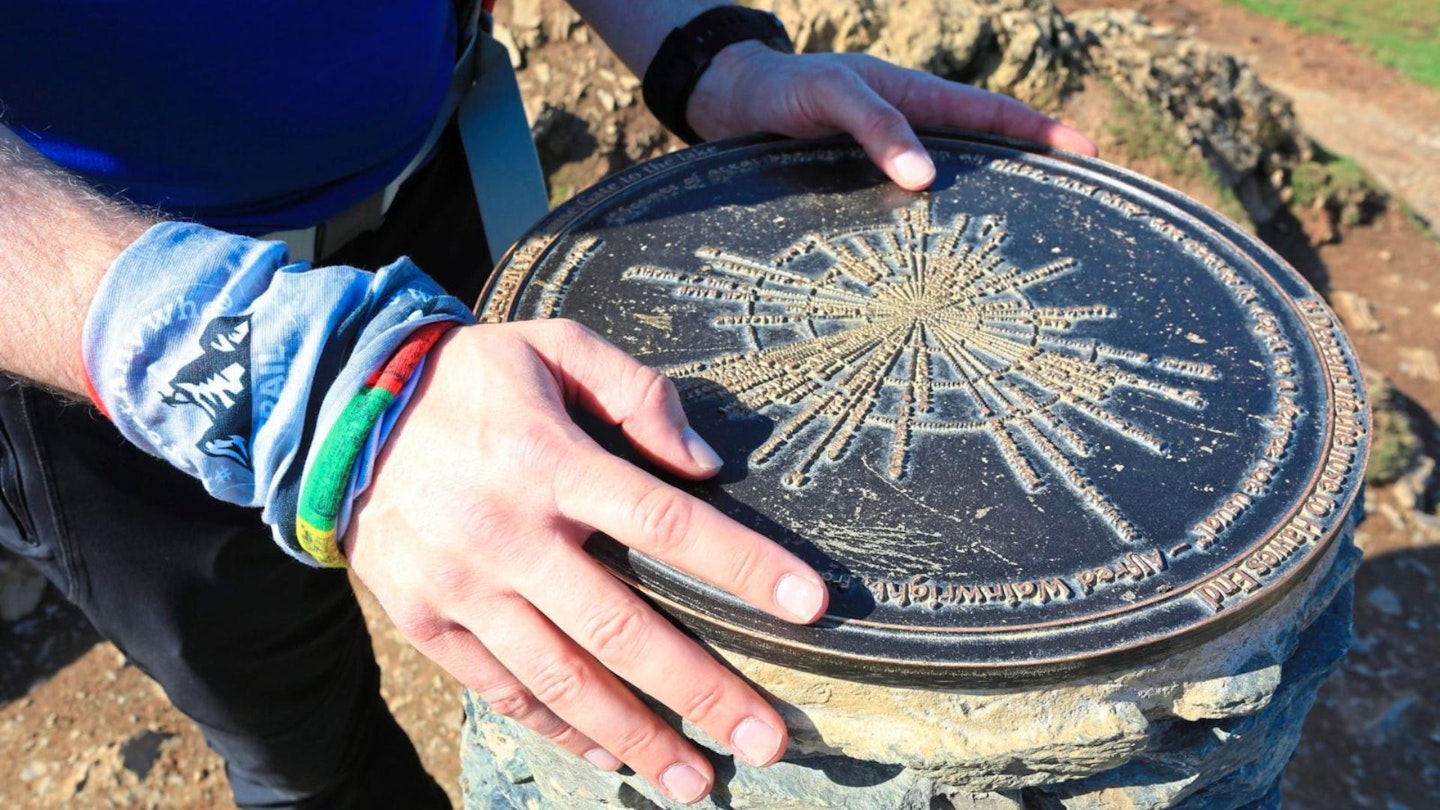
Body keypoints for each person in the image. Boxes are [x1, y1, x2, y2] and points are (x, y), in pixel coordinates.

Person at [0, 1, 1097, 807]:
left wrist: (694, 48)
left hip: (441, 192)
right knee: (294, 733)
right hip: (88, 331)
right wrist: (297, 379)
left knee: (539, 617)